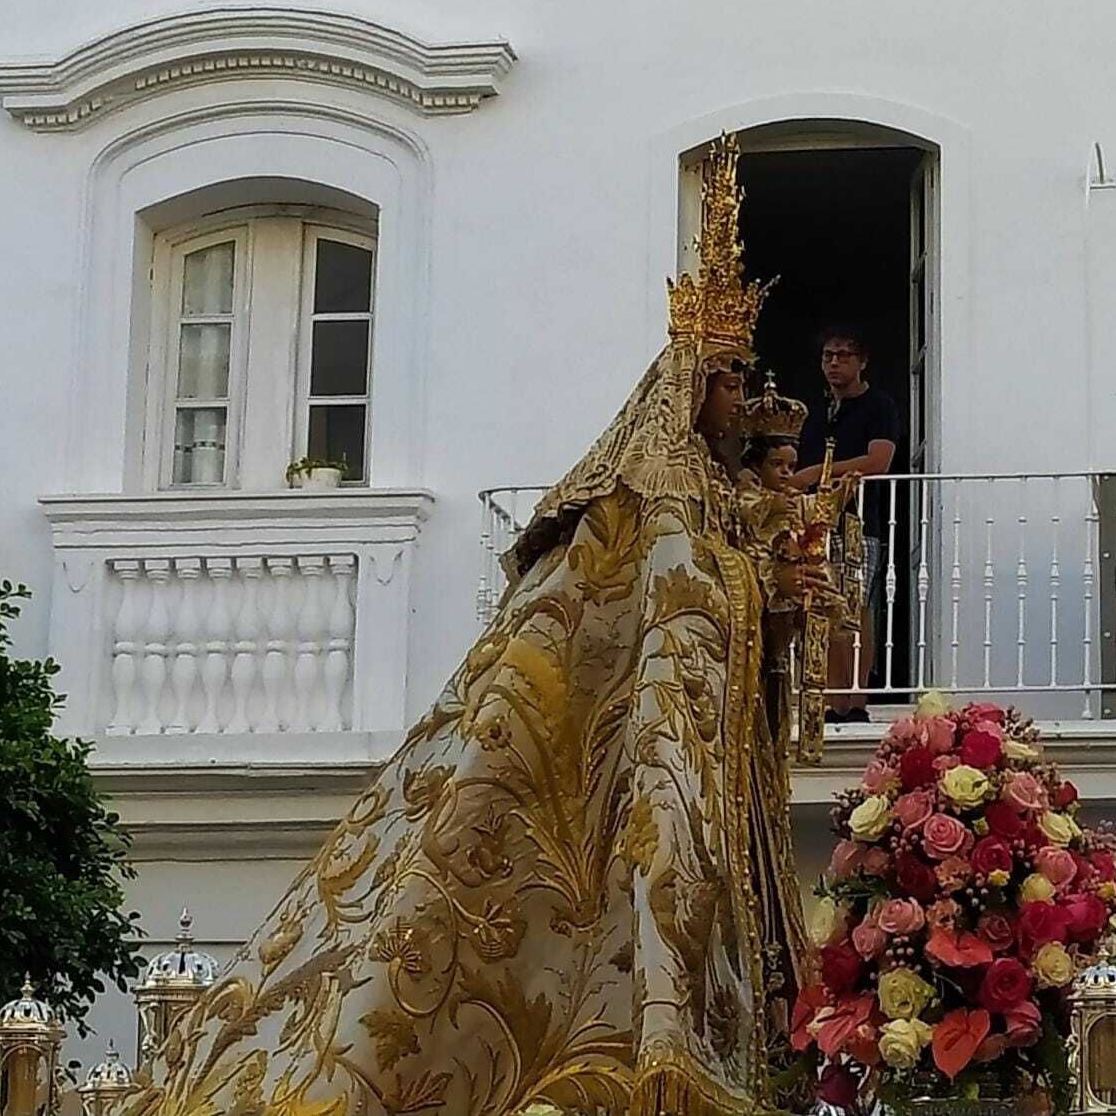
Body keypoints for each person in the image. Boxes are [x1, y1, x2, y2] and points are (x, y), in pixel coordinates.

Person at [119, 136, 811, 1116]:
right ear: (691, 384)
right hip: (638, 771)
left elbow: (719, 629)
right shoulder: (644, 501)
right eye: (731, 378)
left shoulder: (716, 498)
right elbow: (648, 622)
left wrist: (776, 602)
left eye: (745, 381)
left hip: (705, 770)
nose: (744, 400)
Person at [789, 326, 899, 723]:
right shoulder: (816, 412)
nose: (834, 363)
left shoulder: (878, 406)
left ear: (862, 361)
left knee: (857, 610)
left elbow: (879, 460)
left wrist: (818, 473)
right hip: (818, 524)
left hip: (859, 523)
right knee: (824, 611)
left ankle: (854, 702)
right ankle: (833, 700)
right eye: (828, 356)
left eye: (844, 356)